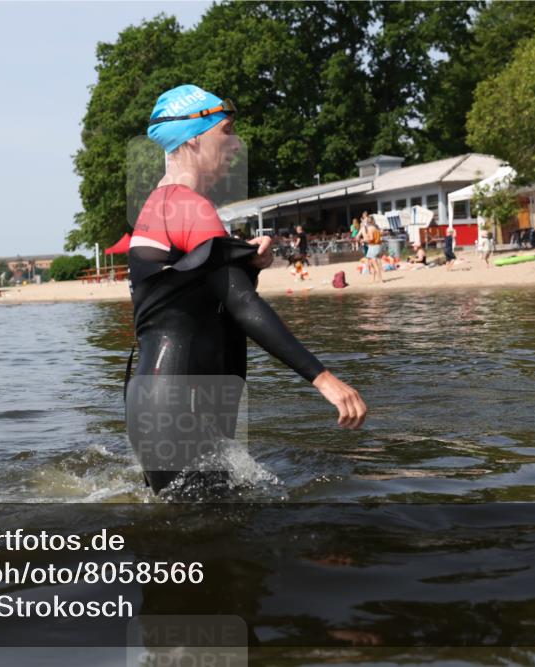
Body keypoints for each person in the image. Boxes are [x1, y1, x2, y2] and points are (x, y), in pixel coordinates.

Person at [128, 84, 366, 496]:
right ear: (193, 137)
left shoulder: (165, 204)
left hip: (165, 399)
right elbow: (240, 304)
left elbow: (196, 300)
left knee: (196, 539)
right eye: (227, 131)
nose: (236, 144)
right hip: (178, 403)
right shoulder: (187, 206)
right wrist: (323, 378)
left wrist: (245, 264)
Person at [361, 216, 383, 283]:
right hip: (378, 246)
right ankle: (373, 280)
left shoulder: (370, 228)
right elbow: (380, 236)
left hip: (373, 247)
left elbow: (371, 238)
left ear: (368, 222)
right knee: (374, 264)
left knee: (374, 264)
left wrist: (364, 240)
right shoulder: (376, 228)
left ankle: (380, 280)